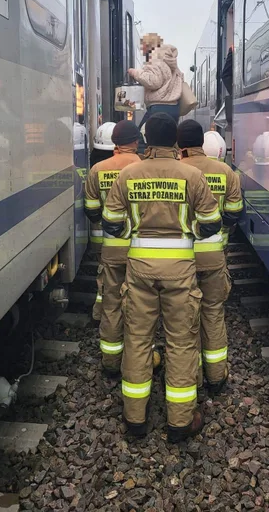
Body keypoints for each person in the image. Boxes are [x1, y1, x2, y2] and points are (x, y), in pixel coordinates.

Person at [102, 113, 222, 441]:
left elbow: (110, 222)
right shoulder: (192, 175)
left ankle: (135, 419)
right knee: (181, 342)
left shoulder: (128, 175)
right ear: (175, 142)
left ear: (145, 140)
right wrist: (187, 232)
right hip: (181, 273)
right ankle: (180, 423)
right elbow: (213, 223)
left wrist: (136, 232)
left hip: (139, 270)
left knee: (138, 339)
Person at [177, 122, 243, 393]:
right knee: (213, 312)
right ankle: (216, 376)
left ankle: (188, 377)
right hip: (213, 255)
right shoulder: (226, 171)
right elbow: (234, 212)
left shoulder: (176, 172)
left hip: (181, 259)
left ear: (180, 146)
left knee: (183, 319)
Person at [84, 121, 143, 374]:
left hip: (111, 248)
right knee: (141, 305)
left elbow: (91, 210)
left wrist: (108, 227)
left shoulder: (98, 169)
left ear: (114, 143)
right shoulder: (146, 168)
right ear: (136, 142)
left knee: (111, 303)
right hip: (141, 250)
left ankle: (110, 361)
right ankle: (138, 358)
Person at [128, 33, 183, 126]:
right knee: (166, 139)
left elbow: (154, 81)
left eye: (143, 46)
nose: (142, 50)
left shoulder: (155, 58)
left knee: (141, 136)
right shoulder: (170, 62)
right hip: (174, 108)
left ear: (148, 45)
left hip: (158, 108)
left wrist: (135, 73)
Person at [86, 123, 117, 256]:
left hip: (98, 239)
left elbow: (91, 208)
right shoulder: (130, 169)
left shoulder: (94, 169)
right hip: (124, 239)